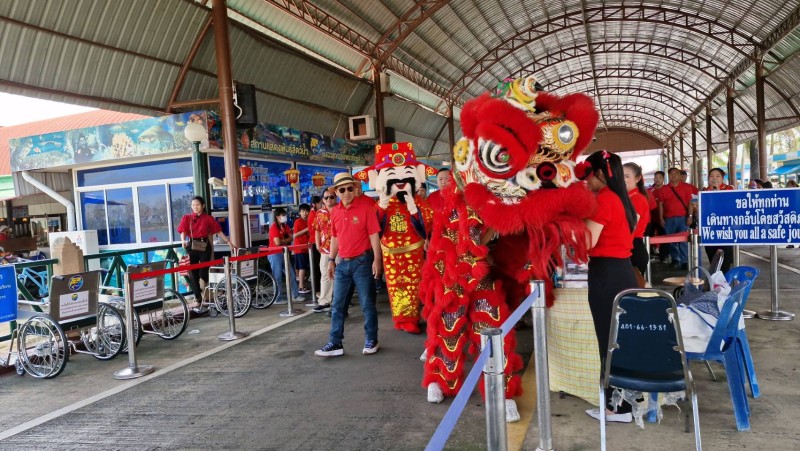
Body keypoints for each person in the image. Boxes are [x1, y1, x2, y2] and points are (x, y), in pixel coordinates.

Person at [583, 150, 638, 423]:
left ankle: (617, 408)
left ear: (600, 173)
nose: (586, 181)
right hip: (620, 272)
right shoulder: (619, 197)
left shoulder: (605, 199)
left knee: (609, 339)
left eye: (588, 175)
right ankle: (622, 402)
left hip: (608, 274)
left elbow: (587, 241)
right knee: (618, 339)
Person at [315, 172, 382, 357]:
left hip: (363, 262)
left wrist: (377, 259)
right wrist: (331, 260)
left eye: (350, 188)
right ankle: (335, 343)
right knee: (337, 306)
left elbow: (374, 235)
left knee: (367, 304)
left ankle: (372, 339)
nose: (346, 193)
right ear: (336, 192)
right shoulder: (335, 212)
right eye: (342, 190)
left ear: (355, 189)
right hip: (342, 264)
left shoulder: (366, 208)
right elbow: (335, 237)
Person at [177, 196, 233, 314]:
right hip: (192, 246)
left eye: (197, 205)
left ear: (203, 206)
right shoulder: (187, 218)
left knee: (203, 272)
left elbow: (218, 231)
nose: (195, 207)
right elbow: (183, 231)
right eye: (193, 205)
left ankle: (206, 292)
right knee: (192, 273)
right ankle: (198, 297)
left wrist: (228, 242)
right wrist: (182, 241)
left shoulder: (208, 218)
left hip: (204, 246)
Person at [658, 167, 694, 270]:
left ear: (680, 175)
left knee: (683, 241)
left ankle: (685, 261)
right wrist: (661, 218)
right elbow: (660, 204)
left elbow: (690, 203)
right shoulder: (664, 189)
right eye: (671, 174)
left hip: (683, 218)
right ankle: (676, 259)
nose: (673, 175)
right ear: (668, 176)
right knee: (671, 241)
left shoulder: (686, 187)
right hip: (668, 219)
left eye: (676, 173)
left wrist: (690, 216)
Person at [268, 207, 304, 305]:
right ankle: (277, 298)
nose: (285, 217)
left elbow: (291, 237)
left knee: (291, 274)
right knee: (277, 276)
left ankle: (295, 295)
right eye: (282, 215)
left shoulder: (285, 226)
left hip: (284, 252)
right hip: (274, 254)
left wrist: (283, 241)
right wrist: (285, 241)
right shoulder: (273, 227)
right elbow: (277, 242)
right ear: (277, 217)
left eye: (285, 215)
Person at [623, 162, 651, 281]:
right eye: (621, 176)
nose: (623, 179)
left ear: (637, 178)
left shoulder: (637, 198)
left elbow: (630, 227)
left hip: (633, 248)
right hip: (628, 246)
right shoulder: (626, 197)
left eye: (627, 176)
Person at [703, 167, 734, 272]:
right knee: (713, 258)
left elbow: (730, 205)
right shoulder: (704, 191)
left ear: (722, 178)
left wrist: (718, 190)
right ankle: (715, 278)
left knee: (725, 257)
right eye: (711, 176)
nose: (714, 178)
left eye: (717, 176)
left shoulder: (729, 189)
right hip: (710, 229)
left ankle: (724, 277)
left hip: (725, 228)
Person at [312, 188, 336, 313]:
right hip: (325, 249)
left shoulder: (340, 210)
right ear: (323, 200)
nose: (329, 199)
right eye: (326, 197)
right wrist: (317, 245)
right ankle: (324, 302)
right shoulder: (319, 213)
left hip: (340, 249)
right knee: (325, 275)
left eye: (331, 197)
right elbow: (317, 229)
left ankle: (339, 301)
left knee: (340, 276)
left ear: (335, 198)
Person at [648, 170, 668, 263]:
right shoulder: (649, 190)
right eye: (656, 177)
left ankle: (663, 256)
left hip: (663, 218)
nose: (657, 179)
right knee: (649, 237)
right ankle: (650, 255)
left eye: (660, 177)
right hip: (651, 218)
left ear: (663, 179)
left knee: (664, 237)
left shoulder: (667, 189)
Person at [293, 204, 311, 295]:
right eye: (303, 211)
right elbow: (295, 235)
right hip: (300, 248)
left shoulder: (308, 221)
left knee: (304, 267)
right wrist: (306, 229)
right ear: (299, 212)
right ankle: (301, 287)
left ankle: (303, 286)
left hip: (307, 248)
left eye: (306, 211)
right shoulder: (298, 221)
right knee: (302, 268)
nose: (305, 213)